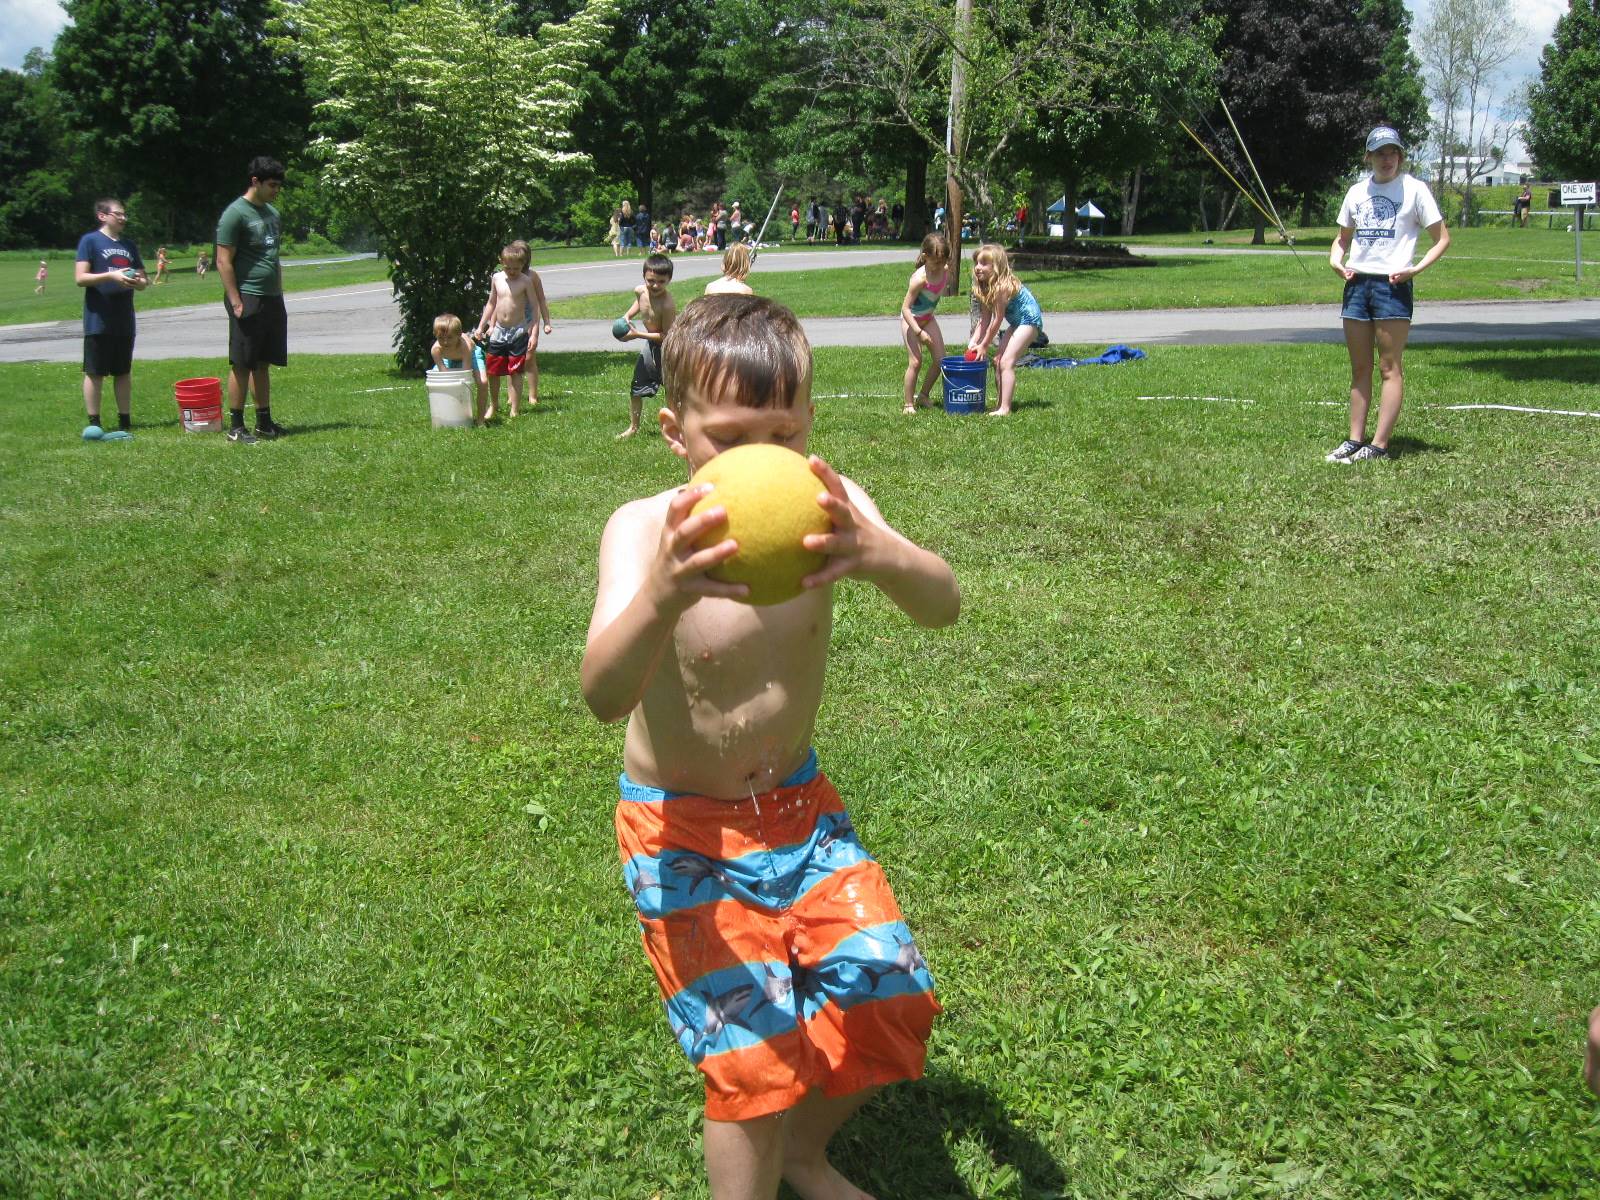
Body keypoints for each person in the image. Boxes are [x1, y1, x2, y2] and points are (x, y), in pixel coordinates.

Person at [580, 293, 959, 1200]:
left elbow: (943, 605)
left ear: (811, 426)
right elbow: (602, 694)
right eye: (731, 439)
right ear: (675, 433)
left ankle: (801, 1153)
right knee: (751, 1058)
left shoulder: (833, 510)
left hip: (800, 810)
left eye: (783, 436)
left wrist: (881, 556)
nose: (764, 463)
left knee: (887, 989)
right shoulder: (645, 533)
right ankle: (764, 1149)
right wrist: (665, 593)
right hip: (683, 829)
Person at [1325, 125, 1449, 464]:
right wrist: (1336, 259)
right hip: (1357, 284)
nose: (1387, 159)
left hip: (1392, 286)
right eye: (1380, 152)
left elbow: (1442, 238)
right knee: (1360, 368)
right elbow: (1342, 238)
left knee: (1389, 368)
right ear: (1369, 157)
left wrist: (1414, 269)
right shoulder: (1356, 192)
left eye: (1393, 152)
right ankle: (1354, 440)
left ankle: (1379, 445)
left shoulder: (1415, 190)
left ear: (1401, 156)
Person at [216, 155, 289, 444]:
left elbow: (274, 258)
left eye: (279, 186)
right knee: (242, 363)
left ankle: (264, 422)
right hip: (247, 295)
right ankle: (236, 427)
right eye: (271, 185)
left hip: (271, 296)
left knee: (263, 362)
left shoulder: (272, 213)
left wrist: (279, 291)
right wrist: (236, 300)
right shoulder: (235, 214)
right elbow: (223, 261)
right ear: (255, 181)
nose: (276, 191)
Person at [74, 197, 148, 439]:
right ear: (102, 216)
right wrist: (112, 276)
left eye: (124, 214)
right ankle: (94, 421)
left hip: (124, 318)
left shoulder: (129, 245)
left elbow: (143, 281)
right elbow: (81, 278)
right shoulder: (90, 241)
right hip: (98, 318)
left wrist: (136, 282)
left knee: (122, 371)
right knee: (95, 371)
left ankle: (124, 420)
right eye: (118, 214)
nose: (123, 218)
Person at [474, 240, 553, 419]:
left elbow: (534, 307)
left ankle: (515, 409)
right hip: (499, 331)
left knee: (516, 371)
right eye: (508, 268)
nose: (512, 272)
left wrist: (533, 333)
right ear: (502, 263)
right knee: (493, 371)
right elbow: (492, 303)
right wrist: (483, 326)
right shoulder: (496, 278)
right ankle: (494, 405)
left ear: (522, 265)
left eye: (516, 269)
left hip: (518, 331)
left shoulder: (526, 281)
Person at [967, 243, 1042, 418]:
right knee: (997, 360)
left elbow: (998, 319)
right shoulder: (984, 287)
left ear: (997, 267)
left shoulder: (1001, 286)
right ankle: (1001, 403)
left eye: (984, 263)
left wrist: (984, 345)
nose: (978, 267)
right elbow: (984, 321)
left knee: (1006, 362)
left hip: (1029, 320)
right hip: (1017, 323)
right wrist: (974, 342)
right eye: (977, 263)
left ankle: (1005, 408)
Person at [615, 252, 676, 439]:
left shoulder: (667, 304)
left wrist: (637, 335)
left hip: (668, 348)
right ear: (644, 277)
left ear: (669, 280)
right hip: (650, 345)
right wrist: (627, 316)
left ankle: (673, 429)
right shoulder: (640, 290)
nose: (655, 285)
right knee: (636, 386)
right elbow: (639, 302)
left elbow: (666, 336)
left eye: (661, 281)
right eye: (651, 280)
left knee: (671, 390)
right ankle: (633, 427)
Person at [898, 232, 950, 414]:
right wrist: (918, 332)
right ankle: (908, 404)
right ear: (925, 257)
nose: (939, 266)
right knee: (916, 362)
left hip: (928, 318)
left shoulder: (944, 269)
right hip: (911, 320)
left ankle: (923, 395)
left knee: (941, 360)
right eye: (936, 262)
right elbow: (905, 309)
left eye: (943, 261)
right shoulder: (919, 279)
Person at [430, 313, 489, 425]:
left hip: (471, 355)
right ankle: (447, 416)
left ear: (459, 335)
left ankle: (481, 418)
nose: (445, 342)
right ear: (435, 335)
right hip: (448, 358)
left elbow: (465, 373)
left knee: (483, 382)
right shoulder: (436, 350)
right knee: (437, 382)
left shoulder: (464, 346)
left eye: (450, 337)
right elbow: (444, 373)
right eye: (441, 338)